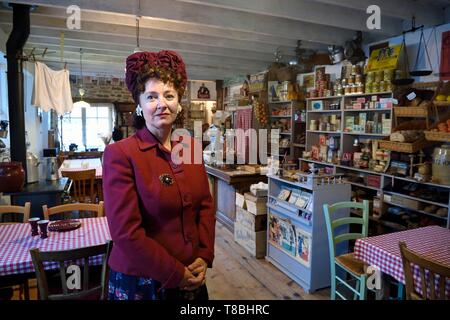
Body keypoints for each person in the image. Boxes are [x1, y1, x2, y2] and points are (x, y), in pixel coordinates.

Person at [103, 50, 216, 300]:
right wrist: (175, 273)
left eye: (169, 95)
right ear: (140, 105)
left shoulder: (190, 148)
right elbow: (125, 232)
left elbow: (206, 206)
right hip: (143, 282)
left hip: (192, 274)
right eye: (151, 96)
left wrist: (204, 255)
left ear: (178, 102)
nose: (162, 104)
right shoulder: (120, 154)